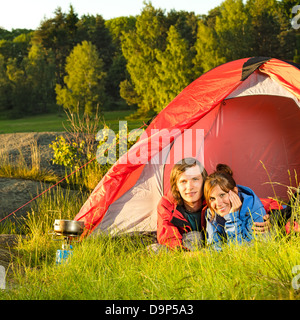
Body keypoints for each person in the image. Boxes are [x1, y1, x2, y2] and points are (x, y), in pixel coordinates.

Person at [204, 164, 266, 250]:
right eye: (212, 198)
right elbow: (214, 250)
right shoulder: (211, 212)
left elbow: (244, 253)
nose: (218, 203)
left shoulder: (254, 208)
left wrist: (232, 219)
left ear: (235, 192)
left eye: (222, 195)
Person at [156, 158, 208, 251]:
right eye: (183, 181)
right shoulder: (167, 204)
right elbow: (168, 236)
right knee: (152, 249)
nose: (189, 187)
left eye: (195, 179)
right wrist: (184, 253)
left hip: (206, 242)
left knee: (196, 236)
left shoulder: (213, 201)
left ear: (204, 182)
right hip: (179, 246)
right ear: (176, 186)